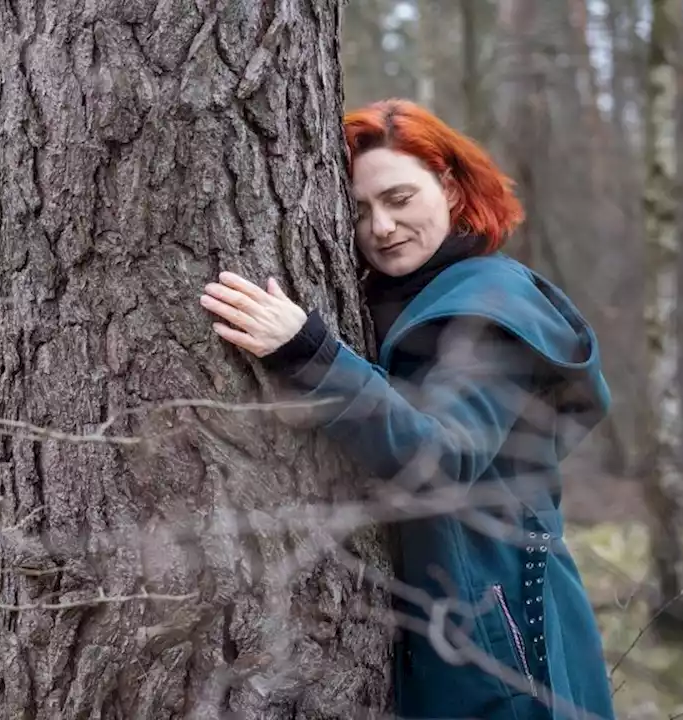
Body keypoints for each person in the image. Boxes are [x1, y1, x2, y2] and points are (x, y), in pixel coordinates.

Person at [197, 98, 616, 720]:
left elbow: (440, 458)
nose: (382, 228)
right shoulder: (402, 298)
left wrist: (311, 354)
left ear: (448, 188)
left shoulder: (489, 307)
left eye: (399, 198)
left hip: (500, 635)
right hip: (448, 620)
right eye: (360, 210)